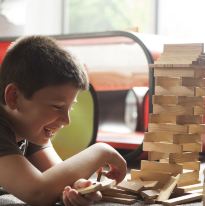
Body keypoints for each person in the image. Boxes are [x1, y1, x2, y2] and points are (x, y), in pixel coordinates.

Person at [0, 35, 127, 206]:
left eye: (70, 107)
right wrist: (102, 151)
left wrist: (78, 187)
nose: (66, 121)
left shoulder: (28, 128)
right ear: (14, 97)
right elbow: (37, 192)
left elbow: (57, 175)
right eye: (57, 107)